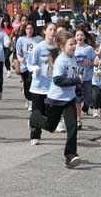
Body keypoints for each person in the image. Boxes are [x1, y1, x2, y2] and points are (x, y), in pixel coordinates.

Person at [29, 31, 83, 168]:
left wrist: (77, 88)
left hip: (69, 99)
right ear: (62, 46)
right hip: (56, 100)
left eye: (75, 44)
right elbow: (58, 80)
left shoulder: (73, 59)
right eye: (71, 44)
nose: (74, 46)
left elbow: (72, 78)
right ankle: (35, 118)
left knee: (72, 127)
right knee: (50, 126)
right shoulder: (61, 60)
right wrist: (76, 80)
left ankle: (70, 156)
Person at [26, 22, 57, 145]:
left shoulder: (57, 48)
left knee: (47, 113)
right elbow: (29, 63)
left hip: (51, 86)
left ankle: (33, 121)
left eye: (54, 30)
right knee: (37, 111)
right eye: (50, 30)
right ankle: (35, 134)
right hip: (38, 86)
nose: (52, 32)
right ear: (45, 31)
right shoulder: (38, 47)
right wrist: (33, 68)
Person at [16, 22, 42, 111]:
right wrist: (20, 59)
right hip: (24, 66)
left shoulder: (38, 39)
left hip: (35, 66)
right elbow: (18, 53)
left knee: (32, 83)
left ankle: (32, 102)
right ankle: (28, 98)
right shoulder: (21, 40)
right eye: (27, 28)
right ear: (25, 30)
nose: (29, 30)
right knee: (26, 84)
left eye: (31, 28)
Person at [74, 27, 95, 129]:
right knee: (77, 99)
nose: (80, 37)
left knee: (88, 98)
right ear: (75, 37)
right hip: (76, 77)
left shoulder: (89, 49)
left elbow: (95, 63)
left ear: (85, 37)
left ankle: (86, 106)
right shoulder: (72, 48)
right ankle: (78, 120)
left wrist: (89, 63)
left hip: (87, 77)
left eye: (81, 35)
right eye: (77, 35)